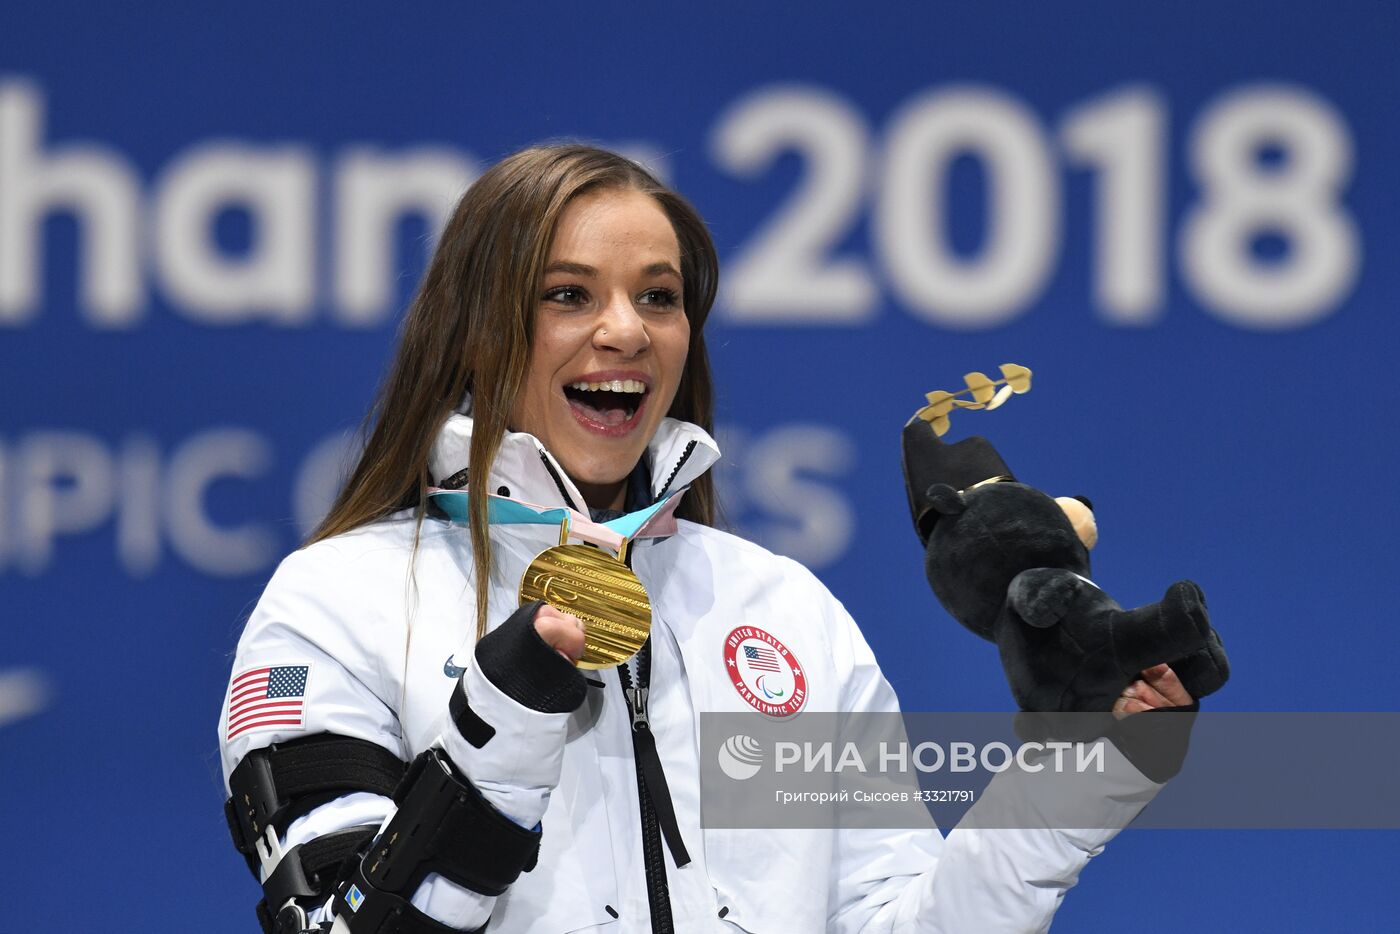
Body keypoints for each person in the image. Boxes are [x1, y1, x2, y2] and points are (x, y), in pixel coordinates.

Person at [219, 144, 1194, 934]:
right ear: (475, 330)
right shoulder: (335, 602)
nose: (625, 331)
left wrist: (1071, 777)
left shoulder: (778, 608)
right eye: (568, 294)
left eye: (657, 296)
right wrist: (509, 713)